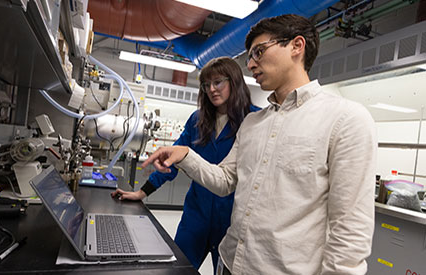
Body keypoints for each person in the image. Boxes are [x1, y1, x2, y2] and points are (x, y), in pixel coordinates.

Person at [141, 14, 377, 275]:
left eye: (259, 52)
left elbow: (350, 231)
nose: (251, 64)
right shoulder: (253, 123)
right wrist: (185, 154)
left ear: (297, 46)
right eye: (250, 56)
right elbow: (224, 181)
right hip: (231, 263)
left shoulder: (345, 119)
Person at [111, 57, 260, 272]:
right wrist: (142, 193)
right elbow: (171, 161)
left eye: (218, 82)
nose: (211, 89)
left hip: (231, 222)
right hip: (196, 217)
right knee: (178, 270)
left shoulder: (254, 120)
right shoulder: (198, 120)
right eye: (206, 85)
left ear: (234, 82)